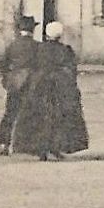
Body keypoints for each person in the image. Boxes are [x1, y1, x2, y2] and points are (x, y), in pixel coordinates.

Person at [11, 22, 89, 161]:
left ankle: (40, 149)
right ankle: (56, 147)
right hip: (59, 88)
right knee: (58, 118)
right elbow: (71, 69)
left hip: (39, 87)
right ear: (59, 36)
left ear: (47, 34)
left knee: (39, 117)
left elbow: (32, 66)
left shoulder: (39, 49)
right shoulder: (65, 50)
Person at [0, 15, 39, 153]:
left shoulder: (13, 45)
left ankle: (3, 143)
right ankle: (29, 144)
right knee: (33, 113)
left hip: (15, 83)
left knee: (10, 113)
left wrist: (7, 78)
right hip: (31, 83)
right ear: (32, 30)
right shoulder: (36, 46)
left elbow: (2, 64)